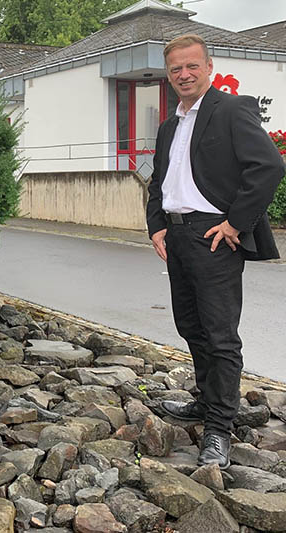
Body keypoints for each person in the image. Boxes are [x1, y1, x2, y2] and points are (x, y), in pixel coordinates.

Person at [147, 34, 285, 469]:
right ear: (169, 76)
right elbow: (160, 182)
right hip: (178, 237)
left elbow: (269, 166)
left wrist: (235, 223)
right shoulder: (170, 125)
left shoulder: (230, 110)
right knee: (191, 326)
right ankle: (208, 403)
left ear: (209, 66)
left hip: (214, 235)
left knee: (220, 335)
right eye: (175, 70)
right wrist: (156, 227)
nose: (184, 75)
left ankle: (220, 430)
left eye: (191, 66)